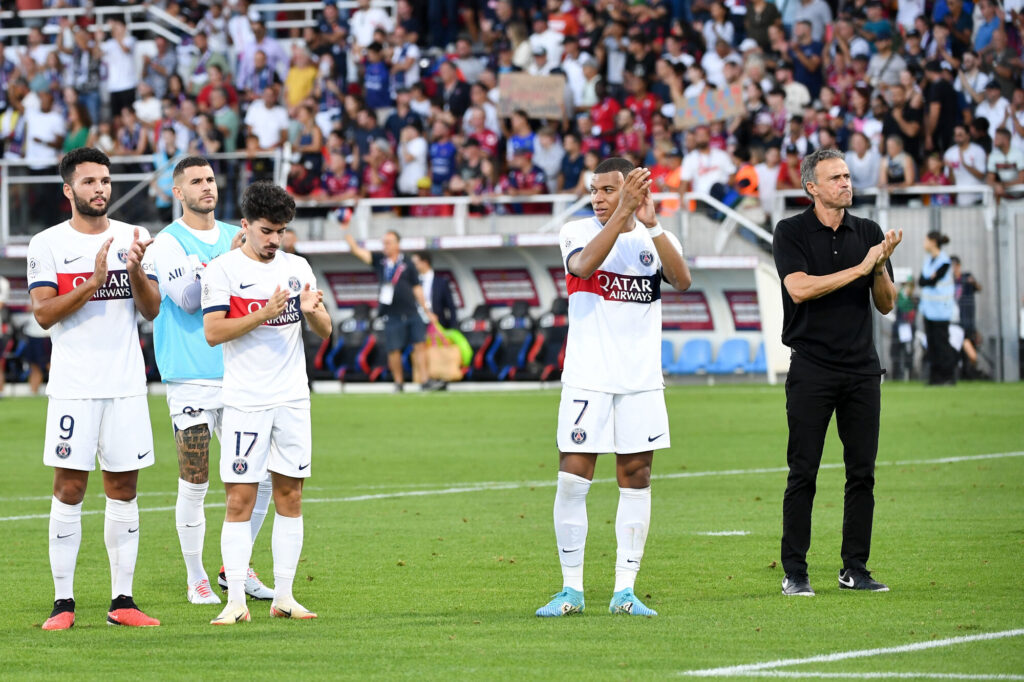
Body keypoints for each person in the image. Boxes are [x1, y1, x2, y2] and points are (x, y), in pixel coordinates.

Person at [536, 158, 691, 618]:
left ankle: (625, 591)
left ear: (632, 189)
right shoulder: (577, 231)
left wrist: (654, 225)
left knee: (637, 477)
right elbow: (583, 267)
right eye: (595, 190)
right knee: (573, 476)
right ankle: (571, 590)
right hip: (589, 378)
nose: (598, 198)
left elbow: (682, 281)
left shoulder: (654, 238)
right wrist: (620, 215)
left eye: (608, 190)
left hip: (641, 382)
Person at [27, 147, 162, 630]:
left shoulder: (135, 237)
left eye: (104, 180)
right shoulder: (46, 244)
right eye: (88, 182)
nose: (99, 188)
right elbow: (43, 314)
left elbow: (151, 310)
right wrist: (94, 282)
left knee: (124, 489)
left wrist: (135, 273)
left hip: (125, 386)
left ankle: (122, 600)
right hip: (74, 387)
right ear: (69, 190)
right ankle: (63, 603)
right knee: (69, 488)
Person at [143, 156, 274, 605]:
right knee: (195, 480)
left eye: (211, 179)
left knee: (263, 476)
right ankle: (195, 575)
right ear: (178, 192)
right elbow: (187, 298)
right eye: (196, 181)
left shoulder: (231, 236)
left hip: (238, 374)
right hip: (191, 377)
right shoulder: (168, 243)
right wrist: (230, 257)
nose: (207, 187)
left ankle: (233, 567)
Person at [772, 147, 901, 597]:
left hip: (862, 369)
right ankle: (795, 572)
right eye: (836, 178)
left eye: (847, 176)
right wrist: (861, 267)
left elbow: (886, 304)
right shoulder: (791, 231)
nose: (846, 183)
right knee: (802, 471)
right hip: (812, 368)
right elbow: (800, 289)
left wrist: (880, 266)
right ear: (812, 187)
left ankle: (855, 568)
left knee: (861, 472)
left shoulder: (867, 232)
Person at [201, 181, 331, 625]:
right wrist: (266, 311)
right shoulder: (222, 270)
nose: (274, 240)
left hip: (293, 399)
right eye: (266, 230)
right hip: (245, 402)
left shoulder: (298, 266)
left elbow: (324, 330)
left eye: (281, 231)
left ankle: (286, 597)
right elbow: (214, 332)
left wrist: (312, 311)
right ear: (245, 226)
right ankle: (235, 599)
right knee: (239, 498)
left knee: (290, 495)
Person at [342, 222, 430, 391]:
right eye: (384, 242)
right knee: (393, 349)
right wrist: (348, 236)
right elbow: (359, 252)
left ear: (397, 244)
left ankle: (425, 381)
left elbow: (417, 287)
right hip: (391, 314)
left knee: (420, 345)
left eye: (389, 242)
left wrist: (426, 309)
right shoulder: (380, 261)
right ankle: (399, 382)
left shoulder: (408, 263)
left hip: (411, 312)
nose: (385, 246)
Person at [919, 232, 957, 385]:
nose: (924, 243)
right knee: (932, 345)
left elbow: (932, 281)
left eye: (926, 240)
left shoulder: (944, 261)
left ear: (933, 242)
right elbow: (922, 281)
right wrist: (929, 279)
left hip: (941, 311)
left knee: (942, 344)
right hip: (928, 310)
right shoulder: (928, 260)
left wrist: (929, 279)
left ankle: (948, 376)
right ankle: (935, 378)